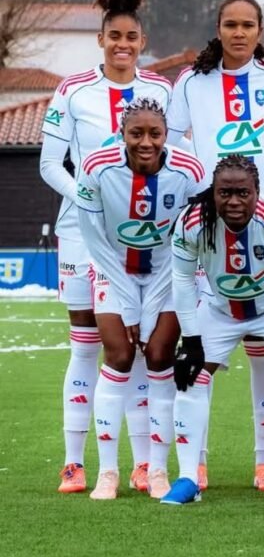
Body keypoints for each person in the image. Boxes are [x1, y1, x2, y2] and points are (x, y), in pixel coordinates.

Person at [40, 0, 173, 494]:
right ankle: (75, 463)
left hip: (146, 238)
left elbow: (170, 164)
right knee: (86, 344)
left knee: (137, 348)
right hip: (83, 233)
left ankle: (142, 464)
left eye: (131, 36)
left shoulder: (160, 92)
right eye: (114, 35)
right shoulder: (73, 90)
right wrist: (89, 197)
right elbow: (51, 164)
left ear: (142, 41)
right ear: (101, 39)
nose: (122, 43)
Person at [167, 0, 264, 491]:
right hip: (209, 222)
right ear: (217, 28)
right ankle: (194, 464)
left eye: (248, 25)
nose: (238, 32)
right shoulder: (191, 82)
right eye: (230, 24)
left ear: (259, 30)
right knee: (201, 346)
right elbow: (175, 143)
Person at [162, 154, 264, 506]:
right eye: (225, 193)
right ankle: (189, 476)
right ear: (213, 191)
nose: (234, 201)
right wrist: (190, 338)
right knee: (190, 375)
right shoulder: (192, 221)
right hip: (219, 310)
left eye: (243, 193)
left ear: (257, 192)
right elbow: (181, 277)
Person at [76, 98, 205, 499]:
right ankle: (108, 471)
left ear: (167, 136)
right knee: (117, 356)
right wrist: (130, 303)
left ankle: (158, 470)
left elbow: (190, 239)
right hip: (113, 268)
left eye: (155, 134)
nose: (146, 142)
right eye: (137, 133)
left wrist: (151, 304)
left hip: (171, 273)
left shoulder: (190, 170)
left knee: (161, 356)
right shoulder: (96, 168)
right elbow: (94, 238)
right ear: (122, 133)